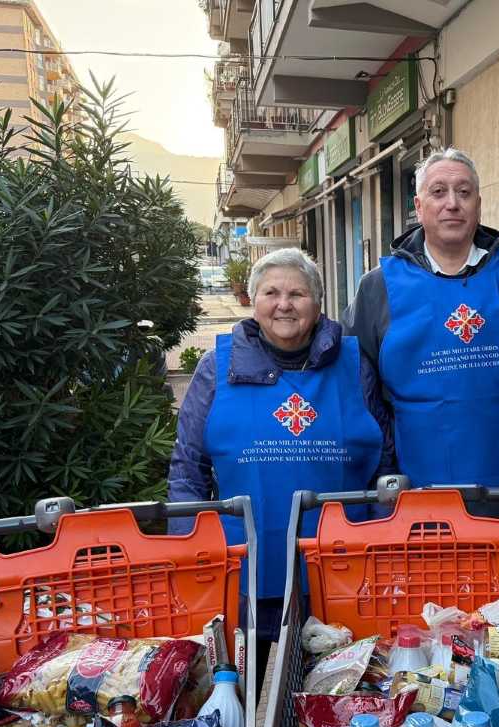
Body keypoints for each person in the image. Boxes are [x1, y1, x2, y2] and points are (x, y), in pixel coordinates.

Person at [168, 247, 395, 693]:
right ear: (254, 302)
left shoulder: (355, 366)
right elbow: (187, 469)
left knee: (340, 693)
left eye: (298, 293)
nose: (284, 304)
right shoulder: (217, 367)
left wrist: (383, 543)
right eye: (271, 292)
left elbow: (385, 461)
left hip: (341, 567)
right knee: (253, 697)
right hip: (246, 573)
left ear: (318, 303)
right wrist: (188, 554)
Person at [343, 147, 499, 497]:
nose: (452, 203)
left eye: (464, 192)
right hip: (412, 482)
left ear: (478, 204)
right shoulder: (378, 286)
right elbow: (357, 378)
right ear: (419, 206)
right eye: (438, 192)